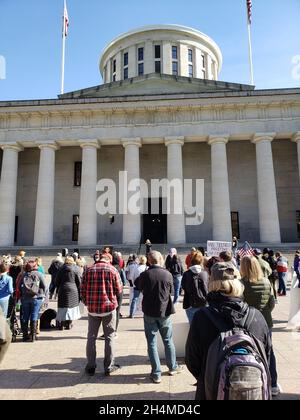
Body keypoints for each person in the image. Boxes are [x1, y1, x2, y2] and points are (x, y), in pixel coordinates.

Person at [185, 262, 271, 400]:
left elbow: (192, 360)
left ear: (212, 283)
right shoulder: (257, 316)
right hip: (254, 391)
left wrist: (211, 376)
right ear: (237, 283)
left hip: (211, 390)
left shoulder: (201, 317)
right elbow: (266, 355)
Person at [135, 251, 184, 384]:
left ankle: (156, 373)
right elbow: (172, 291)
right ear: (161, 259)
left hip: (149, 312)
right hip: (164, 312)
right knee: (168, 340)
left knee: (151, 343)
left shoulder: (145, 274)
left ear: (149, 261)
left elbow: (137, 285)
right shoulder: (167, 274)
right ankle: (172, 367)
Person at [240, 256, 281, 397]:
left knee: (250, 353)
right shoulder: (266, 282)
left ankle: (254, 382)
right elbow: (271, 303)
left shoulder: (241, 284)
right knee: (269, 352)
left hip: (247, 323)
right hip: (266, 322)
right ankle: (273, 384)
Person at [81, 253, 123, 377]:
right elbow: (119, 289)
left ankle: (91, 366)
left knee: (91, 336)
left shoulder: (89, 270)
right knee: (109, 336)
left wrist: (88, 302)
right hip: (109, 308)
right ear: (109, 260)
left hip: (93, 308)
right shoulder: (113, 270)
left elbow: (82, 289)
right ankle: (108, 366)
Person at [17, 260, 46, 342]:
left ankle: (25, 336)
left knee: (25, 316)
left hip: (25, 298)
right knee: (34, 315)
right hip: (37, 297)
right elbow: (44, 286)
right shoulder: (39, 274)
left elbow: (19, 287)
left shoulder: (24, 275)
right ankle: (33, 336)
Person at [55, 256, 82, 330]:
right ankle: (69, 324)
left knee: (63, 306)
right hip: (73, 289)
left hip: (63, 289)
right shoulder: (76, 269)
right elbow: (79, 281)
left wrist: (59, 286)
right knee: (71, 307)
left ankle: (62, 323)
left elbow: (56, 281)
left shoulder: (61, 269)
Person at [181, 252, 208, 324]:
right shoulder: (205, 274)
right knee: (203, 326)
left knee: (193, 327)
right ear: (201, 261)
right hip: (203, 303)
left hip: (190, 302)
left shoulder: (186, 274)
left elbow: (183, 286)